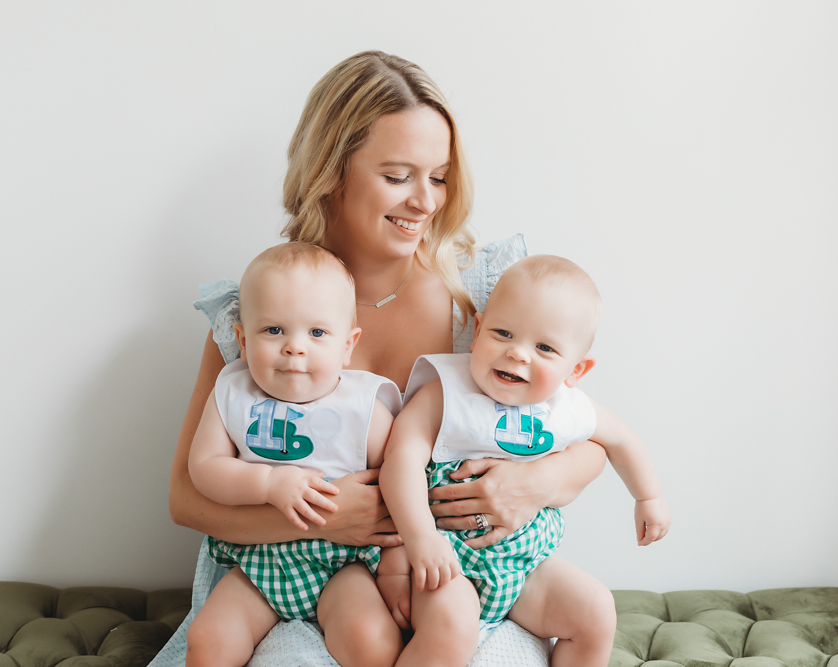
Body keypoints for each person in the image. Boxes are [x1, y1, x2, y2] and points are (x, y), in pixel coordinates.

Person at [153, 51, 610, 667]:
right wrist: (321, 521)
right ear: (331, 173)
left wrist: (538, 483)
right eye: (399, 176)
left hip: (455, 580)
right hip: (282, 580)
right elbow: (187, 497)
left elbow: (589, 435)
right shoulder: (263, 310)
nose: (425, 201)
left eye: (440, 177)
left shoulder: (479, 298)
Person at [378, 255, 671, 666]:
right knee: (452, 624)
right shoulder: (447, 392)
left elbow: (621, 439)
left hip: (524, 565)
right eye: (503, 333)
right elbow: (401, 461)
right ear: (477, 331)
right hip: (447, 561)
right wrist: (421, 538)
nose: (518, 354)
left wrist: (649, 497)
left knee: (596, 609)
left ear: (576, 370)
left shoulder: (566, 407)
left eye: (545, 348)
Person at [185, 242, 403, 667]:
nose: (294, 347)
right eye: (274, 331)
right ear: (243, 341)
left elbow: (402, 478)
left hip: (345, 562)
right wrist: (268, 482)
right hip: (259, 560)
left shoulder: (362, 406)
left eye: (317, 333)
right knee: (207, 639)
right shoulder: (233, 391)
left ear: (348, 345)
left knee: (370, 639)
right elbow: (204, 468)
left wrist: (399, 560)